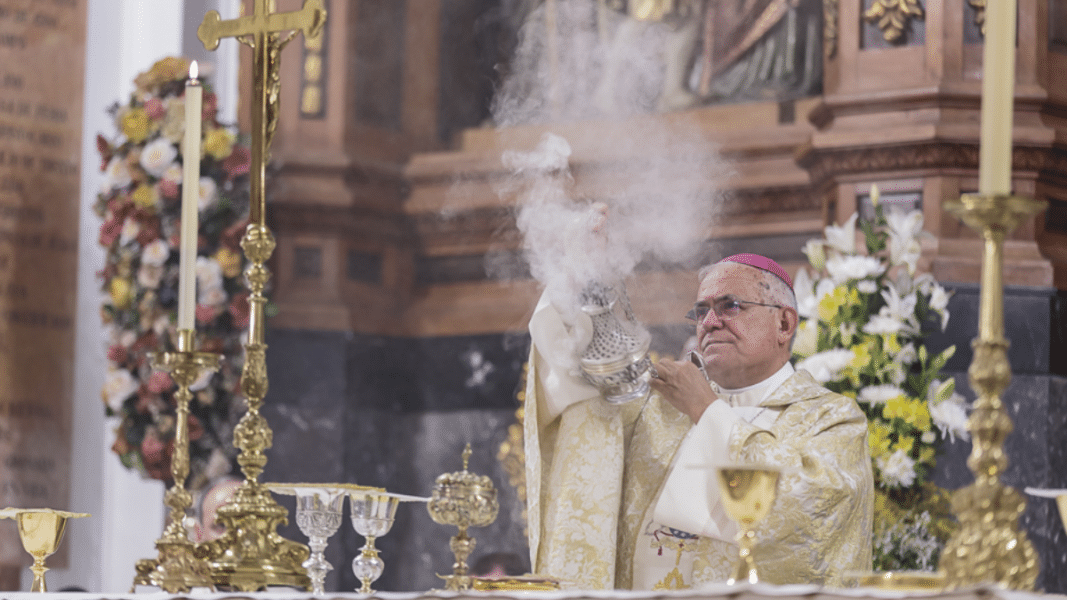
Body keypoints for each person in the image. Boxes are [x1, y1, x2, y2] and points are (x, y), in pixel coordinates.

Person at [524, 253, 873, 590]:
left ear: (784, 324)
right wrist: (582, 273)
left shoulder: (831, 419)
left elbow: (808, 511)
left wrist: (706, 410)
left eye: (730, 306)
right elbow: (581, 391)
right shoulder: (657, 410)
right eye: (701, 310)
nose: (708, 322)